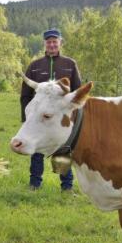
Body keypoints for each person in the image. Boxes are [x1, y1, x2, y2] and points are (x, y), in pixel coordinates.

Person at [20, 28, 82, 192]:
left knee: (64, 149)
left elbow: (77, 92)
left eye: (55, 41)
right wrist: (27, 119)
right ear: (44, 44)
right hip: (40, 119)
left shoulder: (70, 64)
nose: (52, 44)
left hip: (61, 120)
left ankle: (66, 186)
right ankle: (35, 183)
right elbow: (25, 95)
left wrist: (74, 120)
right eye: (49, 42)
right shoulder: (35, 66)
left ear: (60, 42)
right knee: (37, 149)